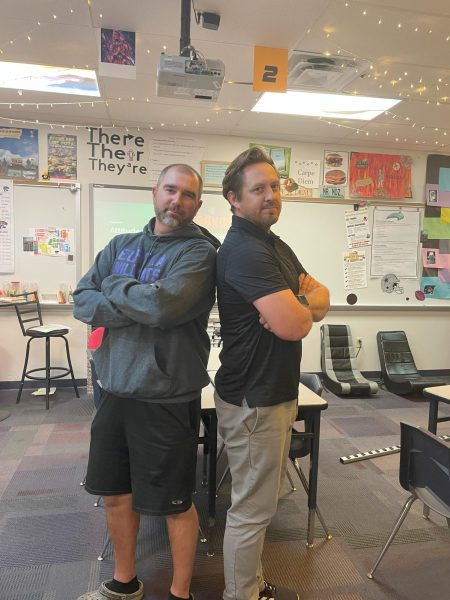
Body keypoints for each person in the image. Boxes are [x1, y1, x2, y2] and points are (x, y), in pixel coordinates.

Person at [73, 164, 218, 600]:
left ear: (197, 204)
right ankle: (124, 583)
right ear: (154, 192)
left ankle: (179, 592)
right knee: (116, 494)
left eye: (188, 195)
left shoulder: (200, 254)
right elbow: (83, 298)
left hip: (166, 396)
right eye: (170, 191)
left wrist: (113, 287)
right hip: (114, 390)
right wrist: (133, 298)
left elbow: (162, 307)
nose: (177, 201)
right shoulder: (121, 244)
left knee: (172, 503)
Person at [214, 147, 330, 600]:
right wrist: (299, 312)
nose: (270, 196)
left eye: (275, 187)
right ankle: (241, 594)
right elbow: (298, 324)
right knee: (251, 511)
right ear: (234, 199)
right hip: (255, 399)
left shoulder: (274, 244)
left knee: (259, 502)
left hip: (272, 393)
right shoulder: (244, 249)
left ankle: (251, 586)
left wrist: (299, 306)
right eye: (258, 189)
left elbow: (318, 297)